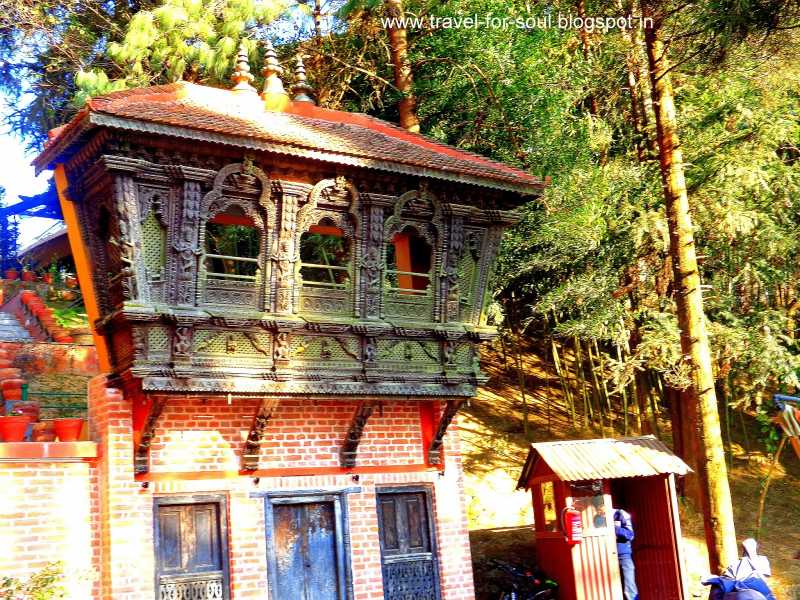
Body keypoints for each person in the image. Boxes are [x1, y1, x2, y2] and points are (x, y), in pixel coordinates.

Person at [614, 507, 638, 600]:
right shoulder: (596, 516)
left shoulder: (620, 514)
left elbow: (630, 535)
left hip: (623, 556)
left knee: (629, 584)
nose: (600, 510)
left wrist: (615, 529)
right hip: (605, 556)